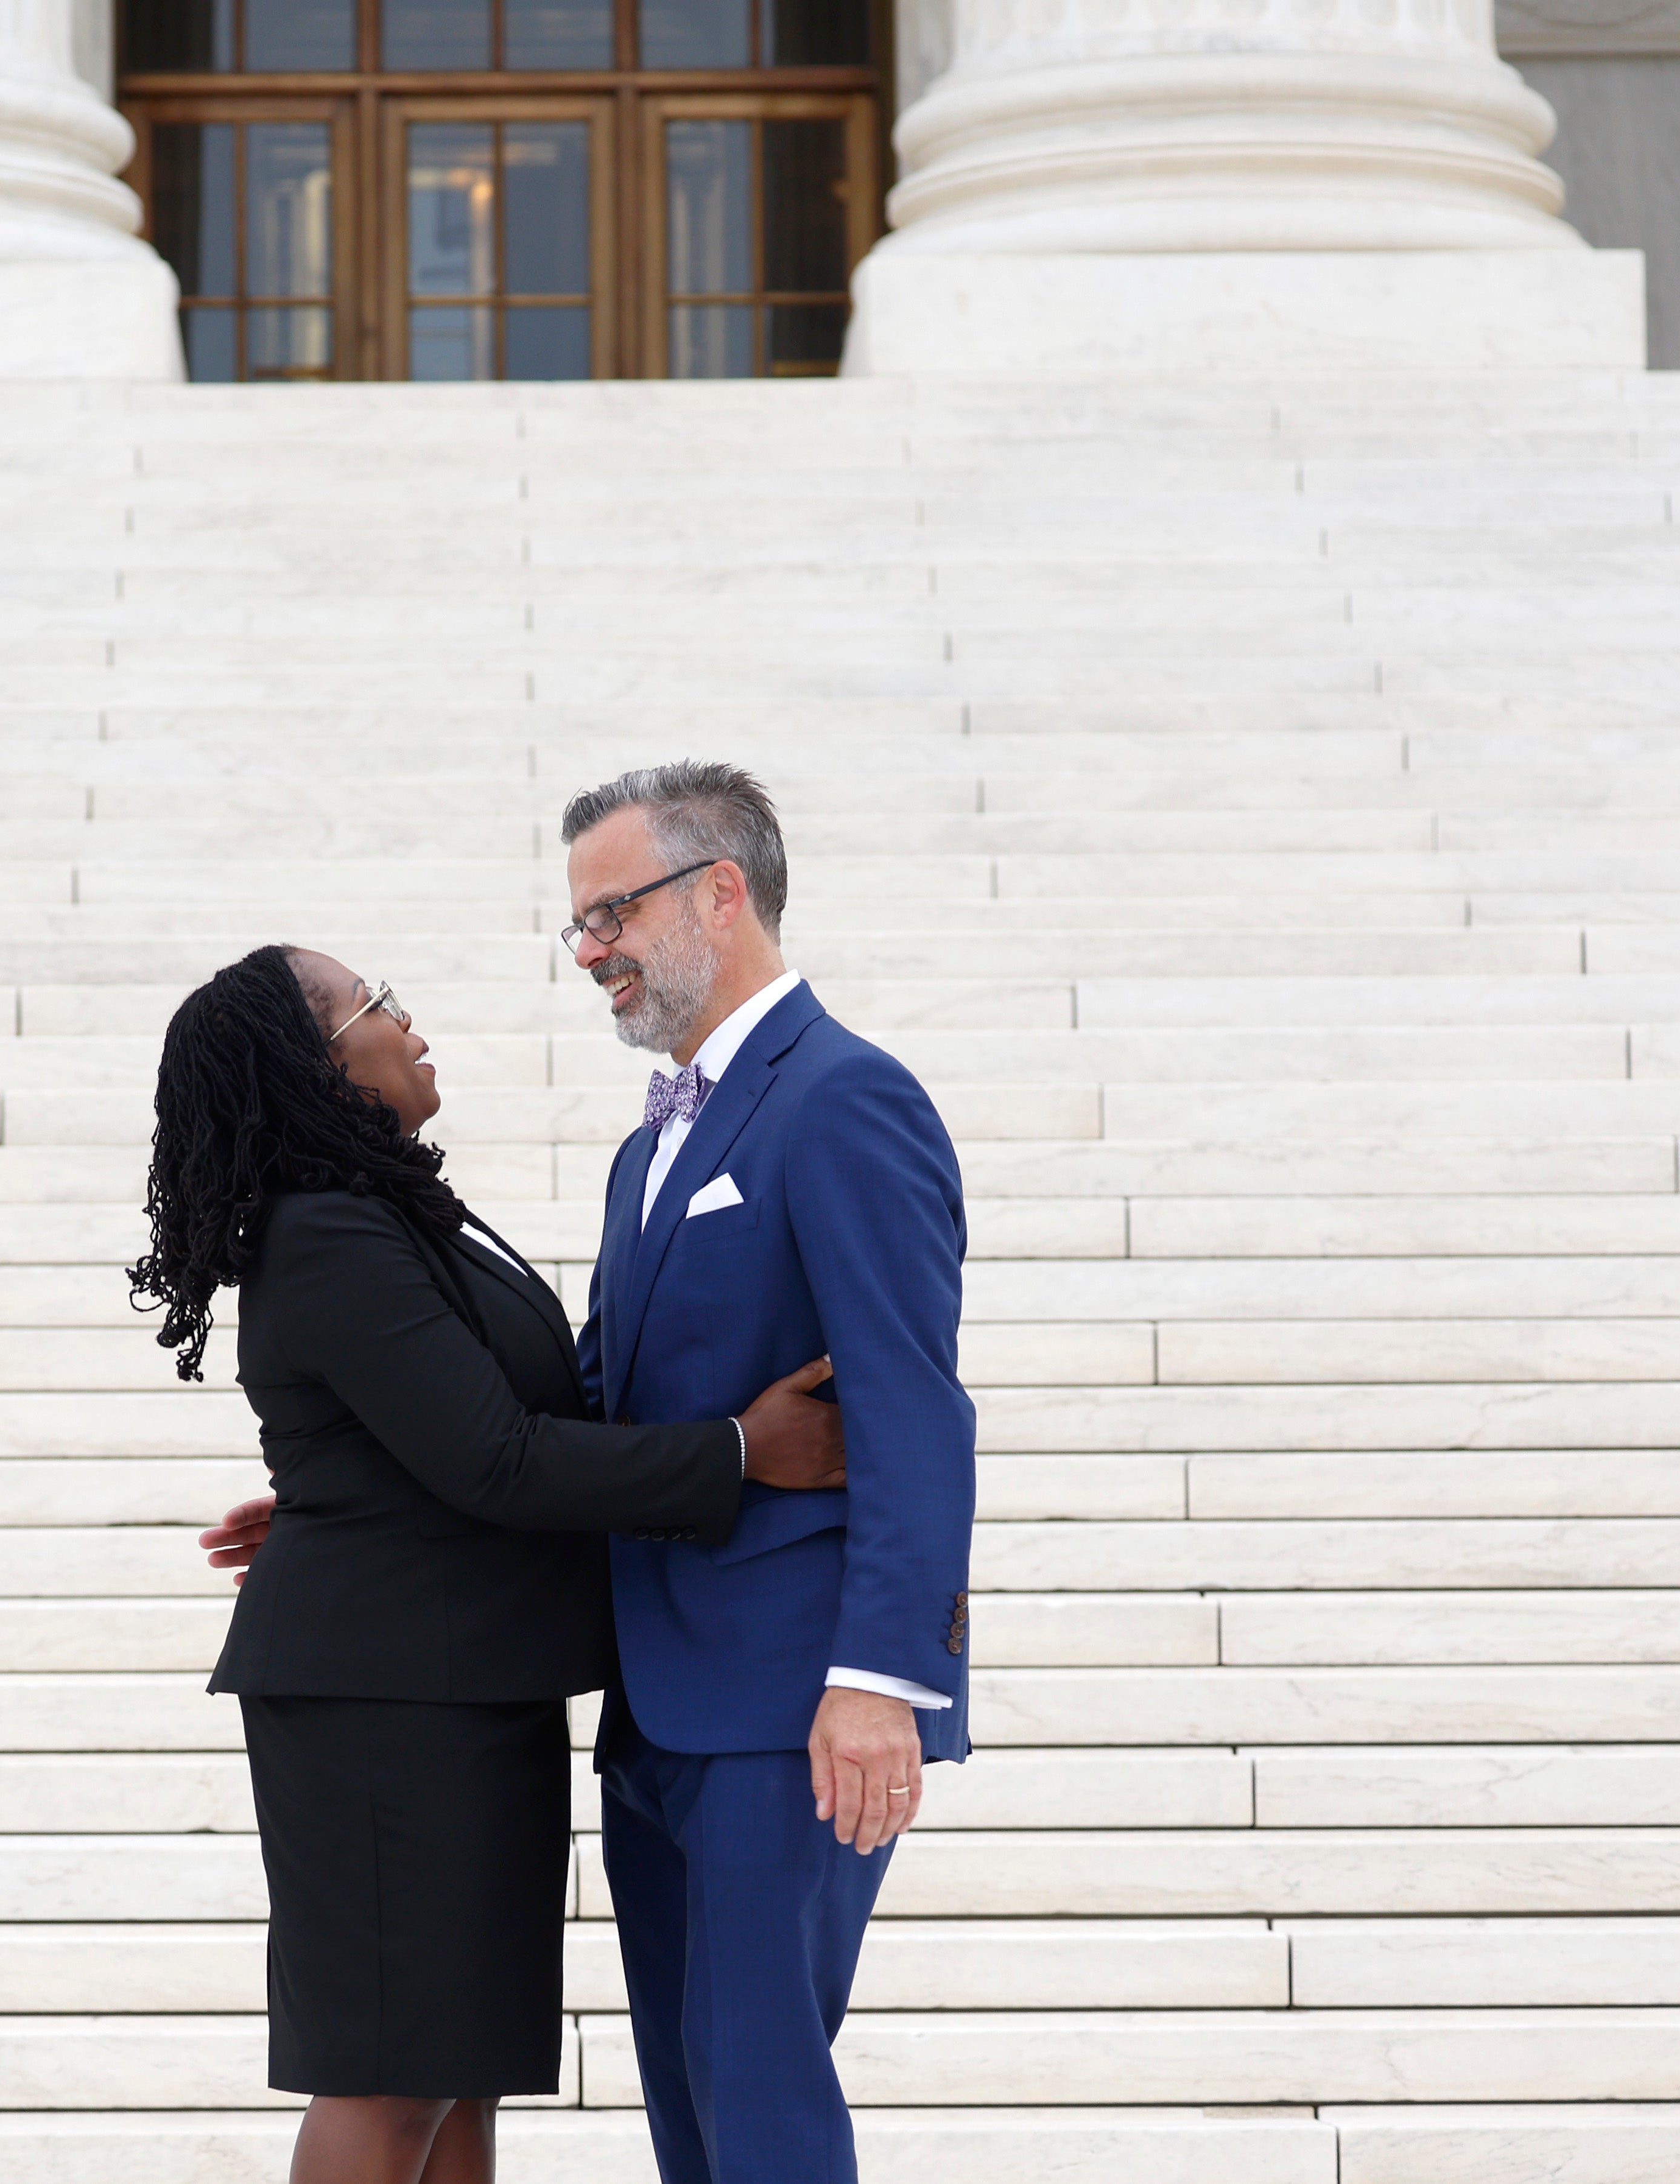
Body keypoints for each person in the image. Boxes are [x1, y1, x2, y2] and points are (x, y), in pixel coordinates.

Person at [132, 943, 851, 2184]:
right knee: (391, 2074)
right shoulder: (331, 1233)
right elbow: (501, 1462)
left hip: (458, 1690)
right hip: (388, 1712)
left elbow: (469, 1421)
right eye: (376, 1003)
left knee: (458, 2071)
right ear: (317, 1065)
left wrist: (336, 1499)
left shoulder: (392, 1211)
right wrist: (739, 1452)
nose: (407, 1018)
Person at [560, 760, 978, 2184]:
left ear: (718, 892)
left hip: (789, 1709)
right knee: (692, 2107)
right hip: (656, 1712)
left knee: (762, 2101)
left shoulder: (846, 1099)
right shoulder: (644, 1153)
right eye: (577, 925)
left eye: (609, 911)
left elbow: (913, 1410)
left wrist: (878, 1682)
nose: (590, 950)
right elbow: (597, 1400)